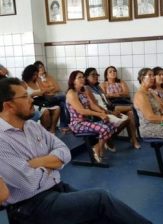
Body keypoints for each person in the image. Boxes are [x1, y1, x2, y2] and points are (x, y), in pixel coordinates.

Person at [0, 77, 152, 224]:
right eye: (25, 96)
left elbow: (64, 151)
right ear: (9, 106)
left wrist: (36, 163)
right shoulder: (2, 140)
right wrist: (52, 163)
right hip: (31, 205)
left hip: (56, 187)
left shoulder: (31, 126)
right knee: (101, 199)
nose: (32, 99)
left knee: (103, 216)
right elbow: (29, 182)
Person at [66, 70, 117, 162]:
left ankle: (97, 148)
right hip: (78, 124)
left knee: (112, 124)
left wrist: (103, 113)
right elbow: (81, 111)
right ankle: (99, 151)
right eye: (79, 77)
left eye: (83, 77)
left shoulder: (84, 90)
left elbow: (92, 105)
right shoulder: (71, 93)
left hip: (87, 122)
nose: (82, 79)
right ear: (73, 80)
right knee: (104, 129)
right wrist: (99, 114)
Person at [85, 67, 140, 150]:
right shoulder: (89, 88)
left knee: (130, 113)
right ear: (86, 77)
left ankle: (133, 139)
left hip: (110, 107)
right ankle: (107, 140)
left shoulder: (98, 87)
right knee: (131, 110)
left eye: (97, 75)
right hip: (102, 112)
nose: (96, 76)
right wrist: (110, 111)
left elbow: (125, 94)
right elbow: (94, 105)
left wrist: (111, 108)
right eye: (93, 75)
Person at [22, 64, 60, 134]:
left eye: (36, 74)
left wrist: (44, 92)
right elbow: (23, 96)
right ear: (29, 74)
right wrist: (35, 94)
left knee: (57, 108)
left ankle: (52, 129)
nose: (36, 76)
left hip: (41, 101)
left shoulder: (37, 81)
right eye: (34, 75)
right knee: (45, 111)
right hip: (32, 104)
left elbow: (44, 90)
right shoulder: (24, 83)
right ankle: (44, 132)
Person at [34, 60, 69, 132]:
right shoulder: (36, 79)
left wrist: (50, 90)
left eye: (43, 66)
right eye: (40, 67)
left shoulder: (49, 77)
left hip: (54, 97)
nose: (42, 68)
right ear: (36, 69)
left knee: (63, 104)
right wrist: (51, 89)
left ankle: (63, 126)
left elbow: (57, 88)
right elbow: (42, 91)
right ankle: (65, 125)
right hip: (46, 99)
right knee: (65, 97)